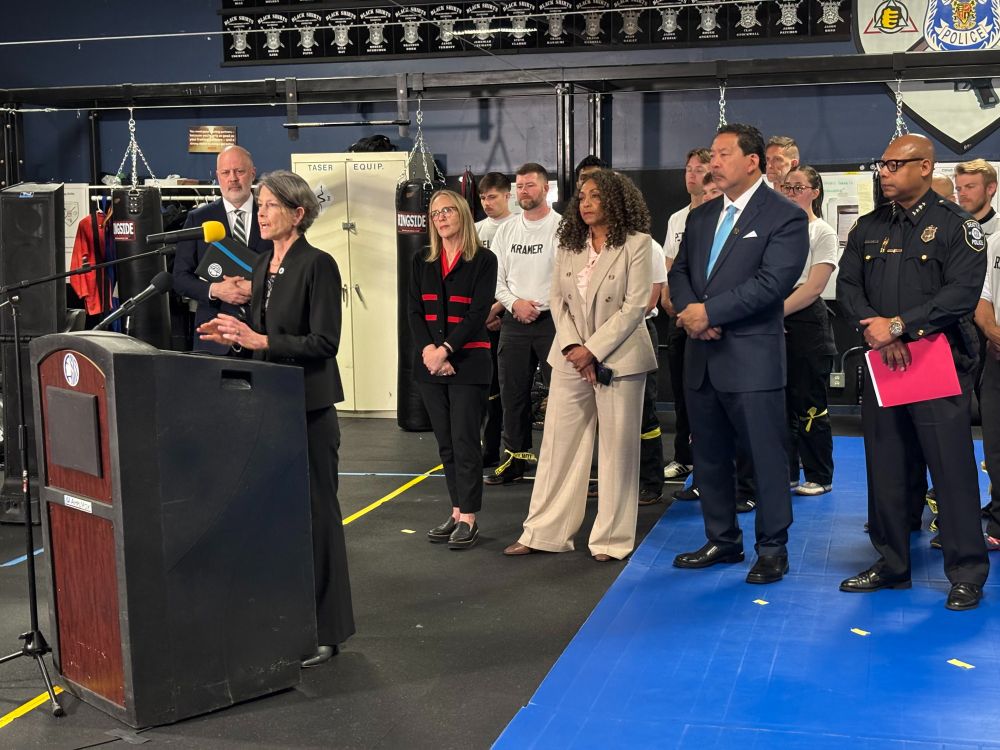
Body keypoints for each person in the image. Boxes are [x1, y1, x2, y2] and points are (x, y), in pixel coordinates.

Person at [197, 170, 354, 663]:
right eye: (260, 206)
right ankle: (288, 617)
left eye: (269, 206)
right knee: (278, 518)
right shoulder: (265, 265)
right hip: (272, 405)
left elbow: (324, 343)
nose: (260, 213)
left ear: (297, 213)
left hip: (309, 409)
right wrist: (236, 334)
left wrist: (261, 340)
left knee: (318, 517)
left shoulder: (318, 265)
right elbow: (264, 333)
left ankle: (327, 629)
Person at [836, 133, 989, 610]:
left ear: (925, 167)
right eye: (881, 164)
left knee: (951, 470)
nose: (884, 172)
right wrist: (877, 331)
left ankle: (966, 571)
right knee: (885, 467)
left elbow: (960, 295)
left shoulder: (957, 226)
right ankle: (891, 562)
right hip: (883, 362)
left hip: (938, 361)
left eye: (895, 164)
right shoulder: (867, 227)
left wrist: (900, 327)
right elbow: (848, 285)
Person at [669, 123, 808, 585]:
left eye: (723, 154)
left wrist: (708, 313)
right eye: (711, 154)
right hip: (703, 359)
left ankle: (772, 548)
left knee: (766, 458)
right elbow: (682, 270)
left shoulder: (784, 216)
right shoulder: (703, 216)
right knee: (708, 457)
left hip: (751, 361)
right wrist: (694, 313)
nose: (713, 163)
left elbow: (773, 284)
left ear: (753, 161)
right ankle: (722, 539)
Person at [503, 169, 655, 561]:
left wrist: (594, 350)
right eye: (582, 197)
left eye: (594, 197)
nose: (585, 204)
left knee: (617, 451)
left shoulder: (637, 244)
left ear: (616, 201)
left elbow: (636, 305)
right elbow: (559, 301)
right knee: (557, 446)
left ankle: (610, 539)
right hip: (571, 357)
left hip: (619, 360)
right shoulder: (569, 243)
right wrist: (575, 348)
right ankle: (543, 531)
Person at [409, 189, 498, 550]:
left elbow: (478, 314)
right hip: (431, 364)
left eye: (447, 210)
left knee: (465, 442)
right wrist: (431, 352)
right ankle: (457, 511)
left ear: (461, 213)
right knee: (446, 444)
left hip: (469, 363)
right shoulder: (421, 261)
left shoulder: (484, 260)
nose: (441, 217)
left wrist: (446, 349)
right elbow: (414, 311)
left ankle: (471, 518)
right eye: (435, 213)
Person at [488, 163, 561, 486]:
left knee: (562, 396)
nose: (523, 192)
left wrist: (539, 305)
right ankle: (515, 459)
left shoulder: (562, 227)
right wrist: (514, 304)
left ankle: (562, 465)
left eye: (530, 185)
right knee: (512, 392)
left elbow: (566, 278)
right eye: (519, 186)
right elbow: (497, 279)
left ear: (546, 189)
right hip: (514, 320)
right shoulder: (506, 230)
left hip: (552, 321)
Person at [174, 145, 272, 354]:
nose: (233, 178)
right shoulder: (198, 219)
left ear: (252, 174)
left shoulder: (272, 215)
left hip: (263, 335)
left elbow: (289, 270)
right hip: (214, 337)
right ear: (218, 176)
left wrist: (255, 287)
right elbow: (180, 278)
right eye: (226, 173)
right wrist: (215, 290)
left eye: (240, 171)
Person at [779, 166, 838, 496]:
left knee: (809, 402)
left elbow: (815, 286)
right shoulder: (780, 231)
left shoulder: (822, 232)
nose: (790, 193)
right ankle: (785, 472)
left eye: (798, 187)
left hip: (805, 319)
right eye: (787, 187)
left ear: (815, 192)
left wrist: (777, 312)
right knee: (781, 402)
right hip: (777, 314)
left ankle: (819, 475)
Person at [661, 147, 710, 483]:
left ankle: (718, 463)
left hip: (708, 316)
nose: (692, 175)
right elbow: (668, 268)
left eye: (699, 169)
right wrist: (669, 300)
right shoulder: (677, 219)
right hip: (678, 318)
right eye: (688, 168)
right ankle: (684, 457)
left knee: (711, 396)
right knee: (682, 392)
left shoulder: (721, 217)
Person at [476, 172, 515, 468]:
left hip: (512, 316)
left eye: (492, 197)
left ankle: (515, 451)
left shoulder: (518, 228)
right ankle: (489, 448)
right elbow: (472, 277)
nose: (487, 203)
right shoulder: (476, 230)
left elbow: (523, 278)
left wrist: (500, 309)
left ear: (507, 195)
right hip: (481, 318)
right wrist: (482, 313)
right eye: (483, 198)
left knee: (513, 390)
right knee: (488, 388)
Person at [974, 230, 1000, 551]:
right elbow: (983, 301)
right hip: (996, 359)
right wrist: (993, 334)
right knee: (995, 446)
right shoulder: (995, 240)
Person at [955, 158, 999, 235]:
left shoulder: (998, 229)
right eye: (959, 189)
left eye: (970, 187)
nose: (962, 194)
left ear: (990, 188)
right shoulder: (951, 229)